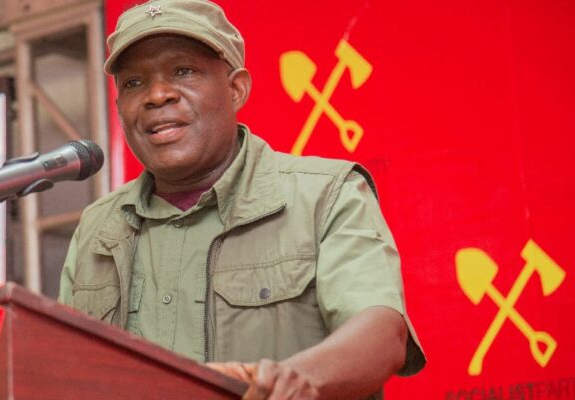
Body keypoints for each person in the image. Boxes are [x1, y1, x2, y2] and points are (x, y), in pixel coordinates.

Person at [58, 0, 425, 398]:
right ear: (118, 108)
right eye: (134, 82)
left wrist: (295, 379)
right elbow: (57, 365)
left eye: (184, 71)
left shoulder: (326, 194)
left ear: (236, 89)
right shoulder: (97, 227)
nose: (157, 94)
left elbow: (382, 335)